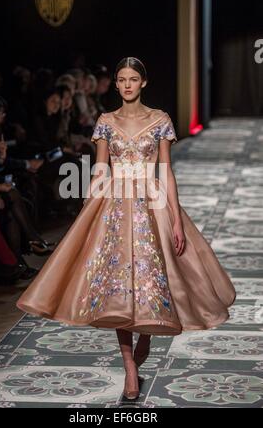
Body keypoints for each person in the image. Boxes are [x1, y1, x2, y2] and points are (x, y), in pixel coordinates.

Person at [17, 57, 236, 401]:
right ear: (116, 84)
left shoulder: (160, 120)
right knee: (118, 288)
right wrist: (89, 212)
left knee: (152, 279)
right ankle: (130, 368)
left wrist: (177, 218)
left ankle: (146, 335)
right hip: (115, 208)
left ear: (143, 82)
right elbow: (100, 170)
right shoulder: (105, 122)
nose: (127, 84)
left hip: (153, 206)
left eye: (133, 78)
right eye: (122, 79)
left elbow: (166, 171)